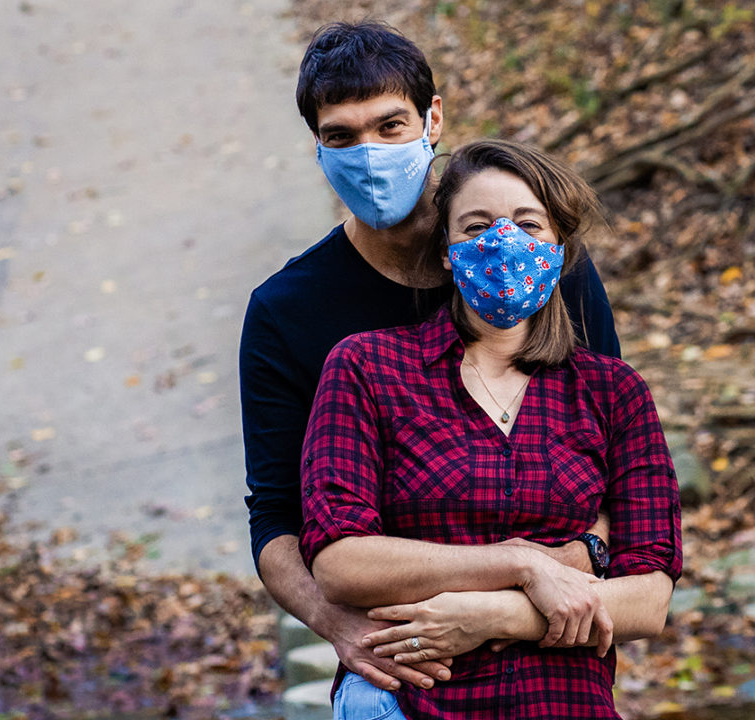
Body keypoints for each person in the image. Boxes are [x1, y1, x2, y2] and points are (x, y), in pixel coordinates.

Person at [239, 21, 621, 694]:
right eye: (341, 137)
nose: (370, 154)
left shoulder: (536, 266)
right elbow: (276, 517)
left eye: (390, 126)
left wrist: (560, 567)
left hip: (545, 637)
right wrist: (339, 624)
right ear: (318, 148)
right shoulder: (287, 313)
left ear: (432, 119)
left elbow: (613, 459)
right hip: (402, 650)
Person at [300, 139, 682, 720]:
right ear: (449, 253)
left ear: (558, 246)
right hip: (411, 699)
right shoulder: (367, 368)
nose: (503, 243)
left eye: (528, 223)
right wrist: (524, 565)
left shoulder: (613, 392)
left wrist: (493, 616)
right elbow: (340, 562)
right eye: (477, 226)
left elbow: (649, 598)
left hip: (563, 704)